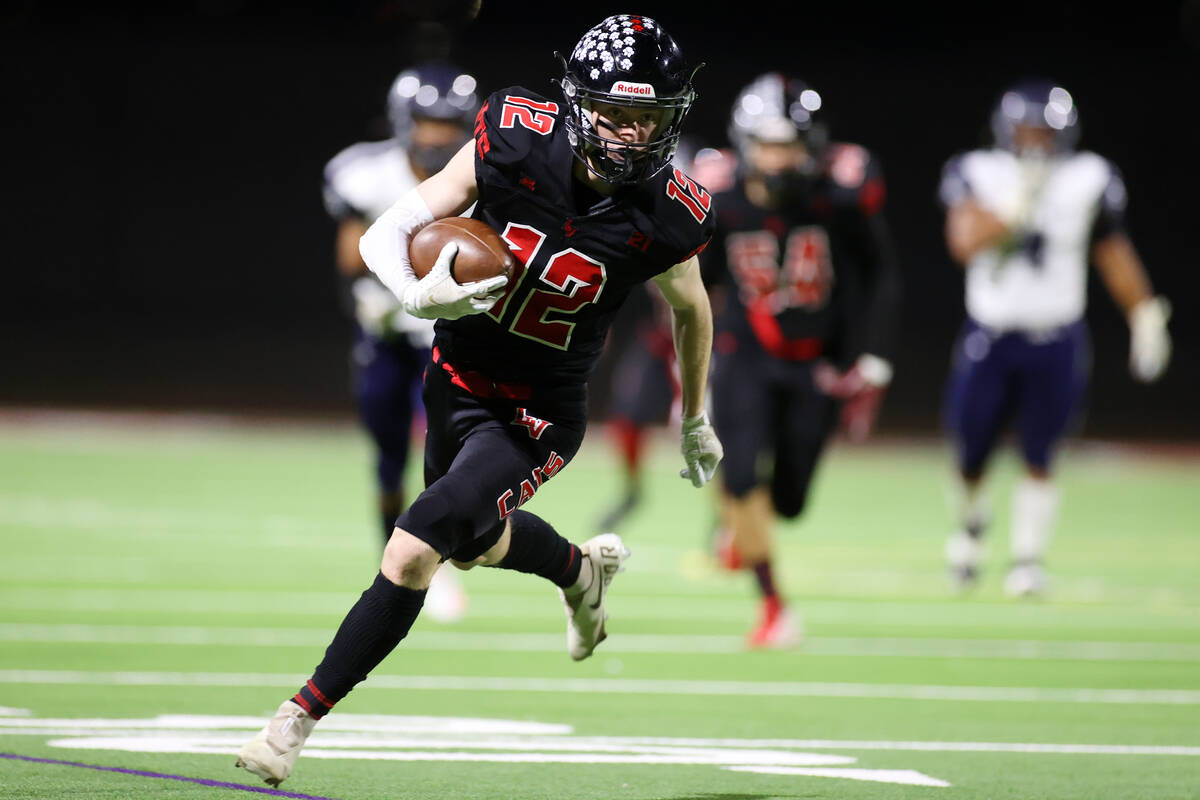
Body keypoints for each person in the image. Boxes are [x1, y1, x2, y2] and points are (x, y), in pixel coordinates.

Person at [236, 14, 722, 787]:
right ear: (575, 104)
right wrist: (416, 296)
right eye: (615, 114)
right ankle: (577, 570)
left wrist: (695, 416)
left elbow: (692, 309)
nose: (631, 136)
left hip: (538, 413)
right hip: (457, 378)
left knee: (413, 548)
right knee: (469, 540)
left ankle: (292, 723)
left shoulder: (669, 210)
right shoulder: (517, 138)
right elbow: (384, 232)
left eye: (648, 118)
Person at [939, 79, 1171, 597]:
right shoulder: (977, 171)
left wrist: (1144, 315)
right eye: (1027, 130)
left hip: (1057, 336)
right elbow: (963, 242)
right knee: (971, 451)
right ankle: (971, 530)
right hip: (991, 336)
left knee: (1042, 452)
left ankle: (1027, 559)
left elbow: (1112, 251)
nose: (1037, 141)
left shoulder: (1090, 177)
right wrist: (1013, 211)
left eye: (1046, 131)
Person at [701, 72, 901, 649]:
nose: (778, 159)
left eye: (789, 145)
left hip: (814, 360)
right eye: (767, 145)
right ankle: (772, 605)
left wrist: (874, 351)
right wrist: (685, 358)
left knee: (789, 499)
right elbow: (689, 282)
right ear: (744, 145)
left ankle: (745, 525)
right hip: (744, 354)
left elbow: (879, 271)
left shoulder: (838, 197)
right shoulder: (721, 198)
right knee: (741, 476)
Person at [321, 61, 480, 623]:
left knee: (442, 458)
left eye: (447, 123)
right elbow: (350, 256)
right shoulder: (365, 174)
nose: (436, 135)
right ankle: (389, 558)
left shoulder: (483, 175)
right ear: (403, 120)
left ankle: (431, 565)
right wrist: (407, 263)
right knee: (389, 461)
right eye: (426, 121)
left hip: (446, 338)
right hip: (387, 335)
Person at [592, 138, 738, 534]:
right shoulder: (635, 204)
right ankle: (631, 491)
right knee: (626, 411)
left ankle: (727, 516)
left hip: (706, 333)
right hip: (660, 330)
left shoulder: (714, 210)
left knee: (712, 424)